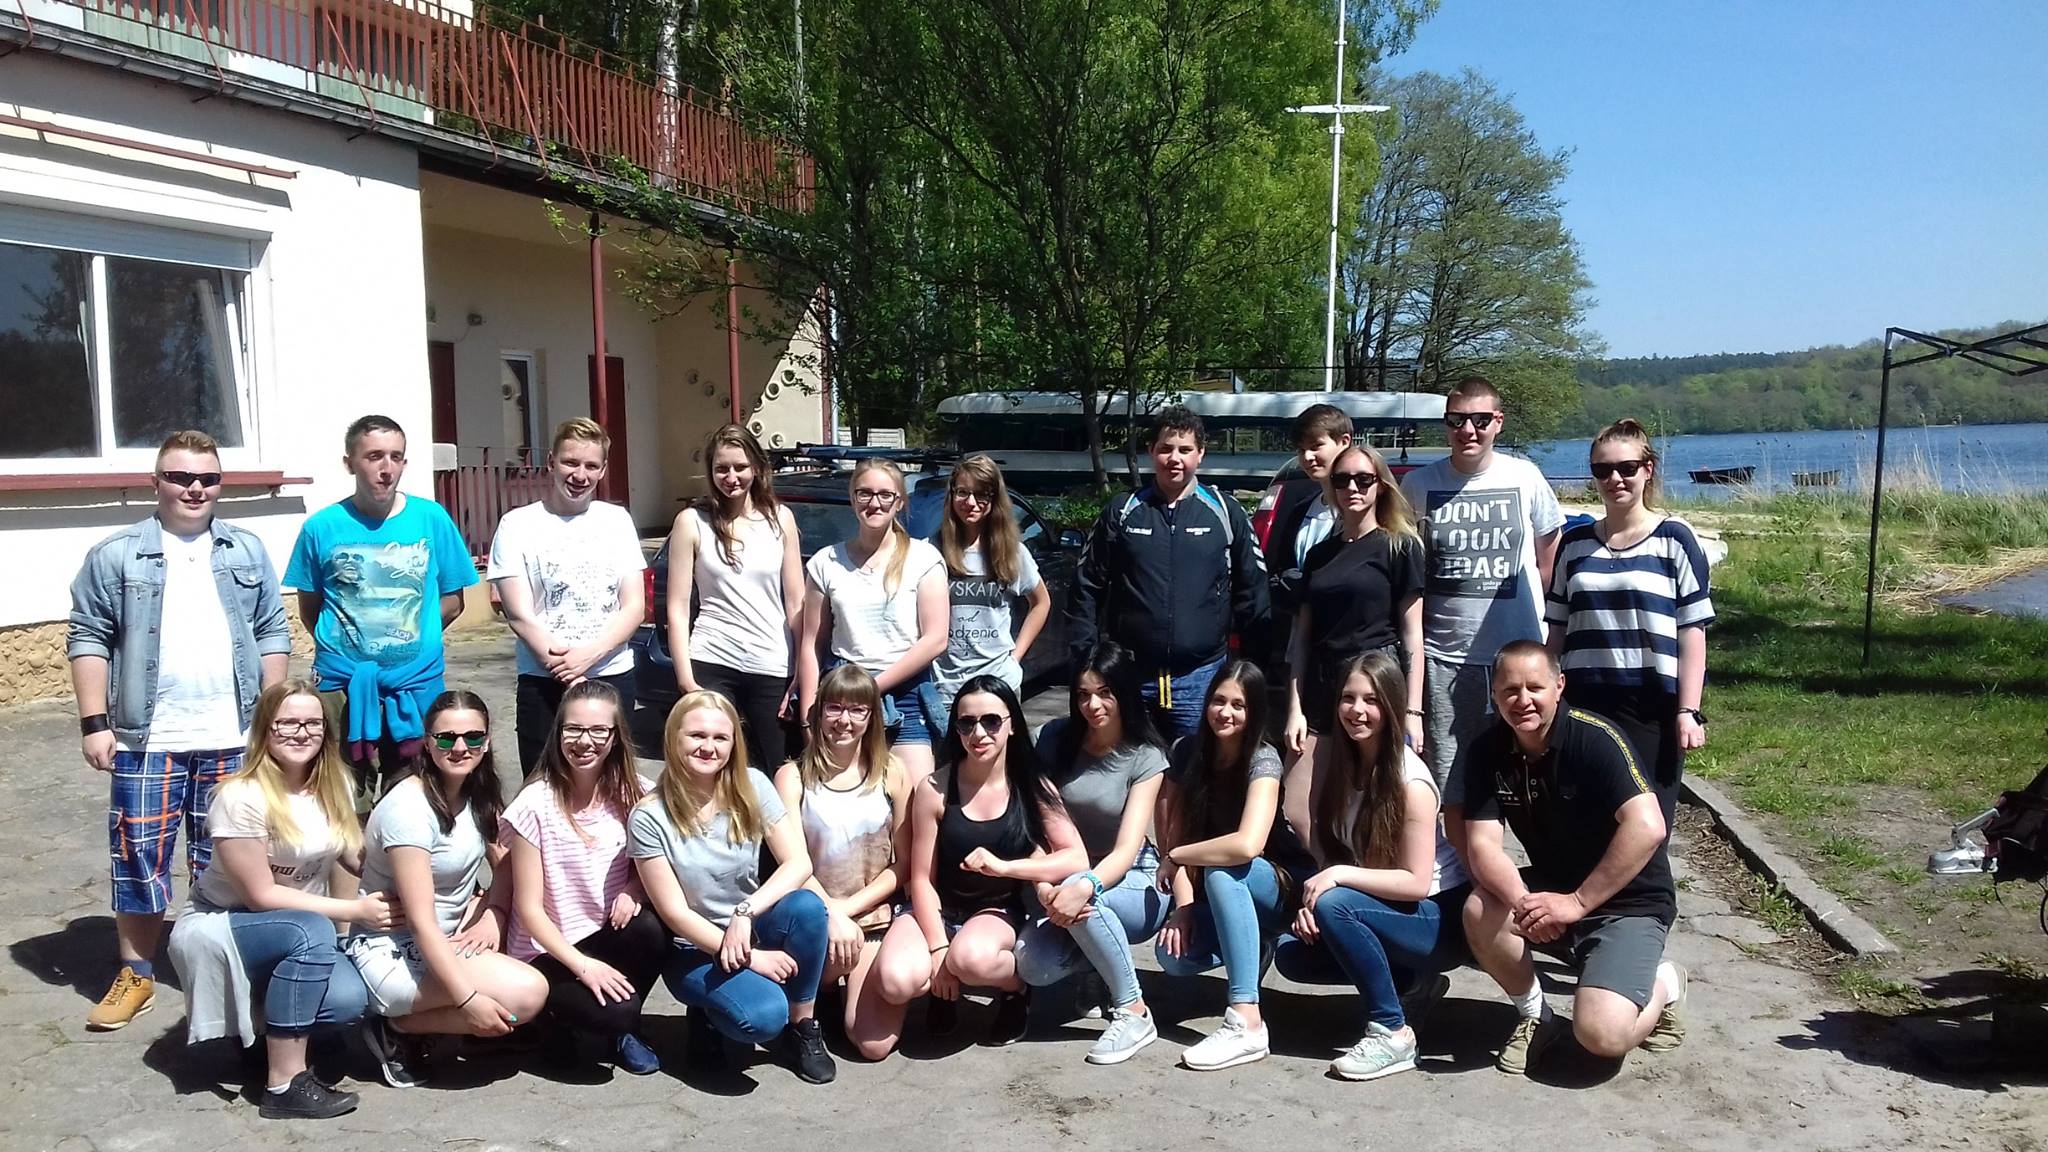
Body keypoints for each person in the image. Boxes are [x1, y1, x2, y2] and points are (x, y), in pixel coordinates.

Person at [68, 430, 292, 1031]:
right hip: (148, 738)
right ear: (156, 482)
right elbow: (88, 636)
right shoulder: (117, 554)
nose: (195, 488)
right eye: (180, 477)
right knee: (138, 854)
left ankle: (230, 967)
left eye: (208, 478)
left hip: (233, 736)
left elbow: (272, 630)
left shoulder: (246, 550)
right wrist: (94, 723)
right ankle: (137, 974)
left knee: (228, 860)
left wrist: (269, 716)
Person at [165, 680, 389, 1120]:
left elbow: (357, 857)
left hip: (297, 928)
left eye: (312, 723)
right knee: (311, 931)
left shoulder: (334, 784)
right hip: (223, 924)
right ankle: (284, 1084)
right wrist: (354, 911)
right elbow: (261, 896)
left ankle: (263, 1038)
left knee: (348, 999)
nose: (301, 733)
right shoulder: (239, 797)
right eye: (287, 723)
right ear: (265, 729)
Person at [1460, 641, 1687, 1076]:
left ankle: (1666, 983)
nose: (1522, 700)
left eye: (1535, 688)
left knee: (1602, 1037)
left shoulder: (1595, 738)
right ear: (1494, 693)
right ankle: (1535, 1016)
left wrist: (1577, 903)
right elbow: (1483, 846)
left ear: (1559, 686)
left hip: (1628, 903)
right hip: (1554, 891)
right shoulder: (1488, 749)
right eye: (1510, 690)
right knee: (1480, 907)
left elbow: (1648, 826)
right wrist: (1527, 904)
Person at [1272, 652, 1470, 1081]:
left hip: (1439, 916)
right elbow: (1340, 851)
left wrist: (1335, 879)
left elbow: (1416, 882)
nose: (1356, 710)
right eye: (1348, 697)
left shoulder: (1410, 781)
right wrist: (1316, 901)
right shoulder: (1345, 765)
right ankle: (1413, 984)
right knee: (1293, 955)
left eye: (1371, 700)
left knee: (1336, 905)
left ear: (1392, 705)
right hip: (1388, 905)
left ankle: (1392, 1033)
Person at [347, 691, 547, 1088]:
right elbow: (421, 922)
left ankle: (444, 1021)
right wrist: (469, 1002)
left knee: (533, 916)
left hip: (450, 936)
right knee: (527, 994)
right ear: (426, 742)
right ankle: (396, 1028)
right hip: (394, 948)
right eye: (446, 738)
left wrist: (494, 913)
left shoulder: (476, 791)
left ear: (487, 741)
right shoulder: (409, 810)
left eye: (473, 737)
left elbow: (506, 863)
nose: (459, 747)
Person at [633, 691, 836, 1083]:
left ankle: (802, 1028)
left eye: (720, 738)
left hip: (749, 927)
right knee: (764, 1017)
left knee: (807, 907)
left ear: (733, 743)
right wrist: (753, 960)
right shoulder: (649, 816)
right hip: (692, 948)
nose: (708, 747)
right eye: (697, 735)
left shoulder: (752, 784)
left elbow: (798, 863)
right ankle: (709, 1014)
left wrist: (745, 913)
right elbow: (674, 913)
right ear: (674, 737)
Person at [873, 676, 1087, 1048]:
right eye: (966, 723)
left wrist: (1007, 868)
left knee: (971, 959)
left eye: (991, 721)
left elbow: (1075, 856)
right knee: (895, 981)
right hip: (936, 908)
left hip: (995, 911)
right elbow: (921, 878)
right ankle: (942, 986)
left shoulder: (1032, 787)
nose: (979, 733)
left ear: (1012, 725)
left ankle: (1015, 989)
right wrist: (938, 948)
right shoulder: (934, 788)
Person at [285, 414, 479, 806]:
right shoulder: (321, 527)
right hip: (342, 686)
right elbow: (311, 609)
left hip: (415, 684)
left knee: (415, 798)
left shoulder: (431, 519)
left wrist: (407, 639)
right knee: (339, 800)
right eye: (374, 456)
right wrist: (355, 649)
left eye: (396, 456)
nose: (386, 467)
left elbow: (453, 601)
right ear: (349, 463)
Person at [1398, 377, 1563, 823]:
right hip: (1445, 658)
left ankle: (1525, 858)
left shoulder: (1524, 477)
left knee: (1531, 777)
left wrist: (1543, 637)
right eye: (1457, 420)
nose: (1468, 430)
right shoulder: (1419, 486)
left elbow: (1548, 561)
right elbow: (1410, 570)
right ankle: (1464, 862)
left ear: (1498, 422)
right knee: (1452, 781)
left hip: (1518, 658)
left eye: (1480, 420)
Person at [1066, 405, 1269, 741]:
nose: (1175, 459)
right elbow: (1086, 587)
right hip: (1130, 676)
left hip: (1202, 676)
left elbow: (1253, 592)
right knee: (1130, 767)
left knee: (1195, 768)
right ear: (1151, 451)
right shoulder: (1123, 511)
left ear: (1200, 454)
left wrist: (1251, 667)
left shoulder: (1225, 512)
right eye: (1166, 449)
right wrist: (1086, 660)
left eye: (1185, 450)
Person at [1013, 642, 1172, 1065]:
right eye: (1083, 694)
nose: (1093, 705)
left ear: (1123, 692)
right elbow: (1034, 824)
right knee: (1034, 965)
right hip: (1059, 875)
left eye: (1104, 693)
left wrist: (1084, 884)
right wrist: (1043, 884)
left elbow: (1127, 848)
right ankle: (1095, 967)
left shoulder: (1146, 756)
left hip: (1131, 877)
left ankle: (1134, 1011)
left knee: (1084, 902)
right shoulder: (1054, 738)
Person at [1546, 419, 1714, 820]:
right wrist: (1547, 695)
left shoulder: (1675, 539)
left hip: (1651, 705)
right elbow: (1557, 632)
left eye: (1627, 468)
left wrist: (1688, 711)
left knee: (1648, 827)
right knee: (1589, 824)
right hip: (1583, 701)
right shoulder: (1574, 544)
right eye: (1603, 470)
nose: (1615, 479)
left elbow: (1692, 633)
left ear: (1648, 470)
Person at [1153, 660, 1313, 1071]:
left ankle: (1246, 1021)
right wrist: (1184, 908)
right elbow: (1176, 838)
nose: (1226, 712)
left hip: (1277, 883)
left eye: (1238, 705)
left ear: (1254, 711)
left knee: (1223, 870)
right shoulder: (1187, 752)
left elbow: (1246, 845)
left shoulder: (1264, 759)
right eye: (1219, 701)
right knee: (1173, 956)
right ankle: (1255, 946)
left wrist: (1177, 856)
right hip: (1219, 885)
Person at [501, 681, 667, 1075]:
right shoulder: (534, 804)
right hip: (547, 950)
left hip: (603, 935)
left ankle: (624, 1031)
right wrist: (583, 966)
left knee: (653, 926)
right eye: (573, 729)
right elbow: (529, 910)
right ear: (558, 732)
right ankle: (558, 1020)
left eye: (598, 730)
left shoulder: (637, 795)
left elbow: (659, 867)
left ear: (615, 737)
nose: (584, 741)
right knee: (614, 1014)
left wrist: (634, 888)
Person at [771, 664, 916, 1061]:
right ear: (818, 714)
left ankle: (858, 986)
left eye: (858, 710)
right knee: (821, 960)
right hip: (815, 918)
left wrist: (847, 911)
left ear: (872, 718)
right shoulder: (792, 777)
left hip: (870, 918)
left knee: (873, 1045)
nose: (844, 721)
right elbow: (792, 861)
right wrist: (830, 914)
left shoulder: (892, 772)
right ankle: (820, 993)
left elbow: (903, 864)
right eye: (834, 708)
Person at [488, 417, 648, 775]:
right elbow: (519, 615)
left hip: (611, 676)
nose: (580, 475)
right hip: (543, 682)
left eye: (591, 466)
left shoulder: (617, 521)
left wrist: (589, 657)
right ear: (551, 462)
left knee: (611, 784)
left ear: (602, 470)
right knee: (543, 786)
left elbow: (634, 606)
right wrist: (569, 672)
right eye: (570, 462)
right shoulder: (517, 525)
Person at [1281, 443, 1426, 823]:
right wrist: (1295, 709)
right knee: (1299, 810)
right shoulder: (1319, 555)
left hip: (1375, 686)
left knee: (1375, 806)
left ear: (1380, 484)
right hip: (1321, 687)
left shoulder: (1400, 547)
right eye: (1342, 480)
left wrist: (1412, 711)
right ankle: (1331, 860)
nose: (1352, 488)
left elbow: (1413, 635)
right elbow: (1301, 641)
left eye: (1363, 479)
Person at [797, 458, 948, 782]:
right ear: (853, 498)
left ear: (899, 502)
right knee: (841, 795)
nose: (874, 503)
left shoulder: (924, 558)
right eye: (864, 493)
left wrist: (871, 688)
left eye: (885, 495)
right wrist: (809, 714)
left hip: (906, 694)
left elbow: (935, 639)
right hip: (841, 697)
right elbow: (812, 643)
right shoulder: (825, 562)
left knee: (916, 795)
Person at [666, 424, 804, 772]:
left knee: (776, 768)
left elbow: (795, 601)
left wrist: (802, 668)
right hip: (711, 660)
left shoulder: (780, 519)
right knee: (709, 768)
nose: (731, 477)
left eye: (740, 467)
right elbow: (678, 608)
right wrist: (686, 679)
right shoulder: (691, 522)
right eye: (722, 469)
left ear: (756, 467)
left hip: (772, 664)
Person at [929, 454, 1051, 723]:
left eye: (981, 494)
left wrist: (1015, 658)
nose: (971, 502)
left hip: (997, 683)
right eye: (963, 492)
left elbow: (1041, 602)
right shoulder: (932, 550)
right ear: (952, 495)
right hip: (945, 687)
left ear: (995, 499)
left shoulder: (1012, 552)